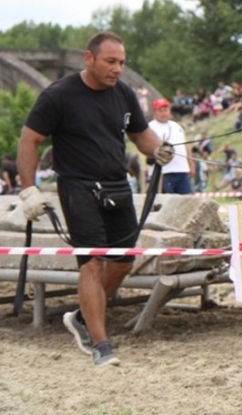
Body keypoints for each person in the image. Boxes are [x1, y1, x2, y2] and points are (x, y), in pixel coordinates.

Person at [16, 31, 173, 367]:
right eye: (110, 61)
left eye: (121, 62)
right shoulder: (58, 95)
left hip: (117, 186)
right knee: (92, 262)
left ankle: (83, 318)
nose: (117, 69)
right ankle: (101, 344)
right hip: (77, 187)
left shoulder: (125, 94)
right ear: (89, 58)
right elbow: (30, 140)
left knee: (123, 261)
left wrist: (157, 148)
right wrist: (28, 188)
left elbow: (140, 132)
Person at [147, 98, 194, 194]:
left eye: (165, 110)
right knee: (167, 201)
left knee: (186, 200)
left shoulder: (176, 126)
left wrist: (191, 165)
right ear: (155, 112)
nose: (163, 113)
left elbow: (185, 146)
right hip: (163, 172)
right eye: (160, 111)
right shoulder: (149, 128)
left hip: (181, 170)